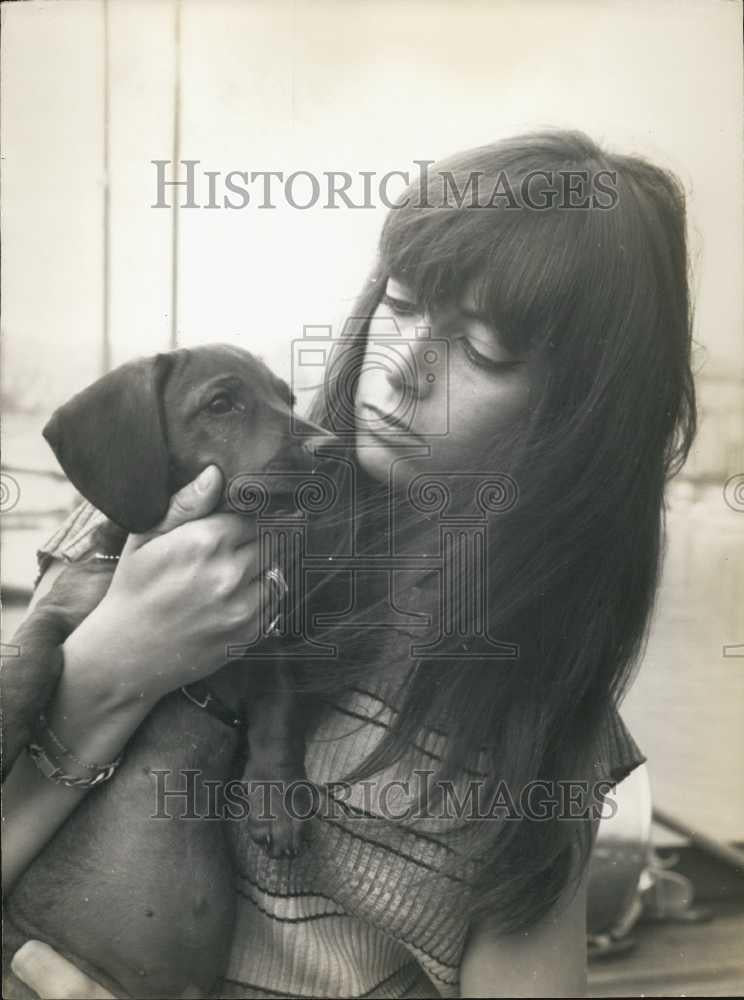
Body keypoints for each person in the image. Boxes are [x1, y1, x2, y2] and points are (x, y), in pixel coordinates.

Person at [3, 130, 695, 998]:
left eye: (482, 352)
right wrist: (110, 666)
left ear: (574, 420)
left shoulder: (540, 727)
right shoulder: (148, 512)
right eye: (401, 305)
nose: (401, 371)